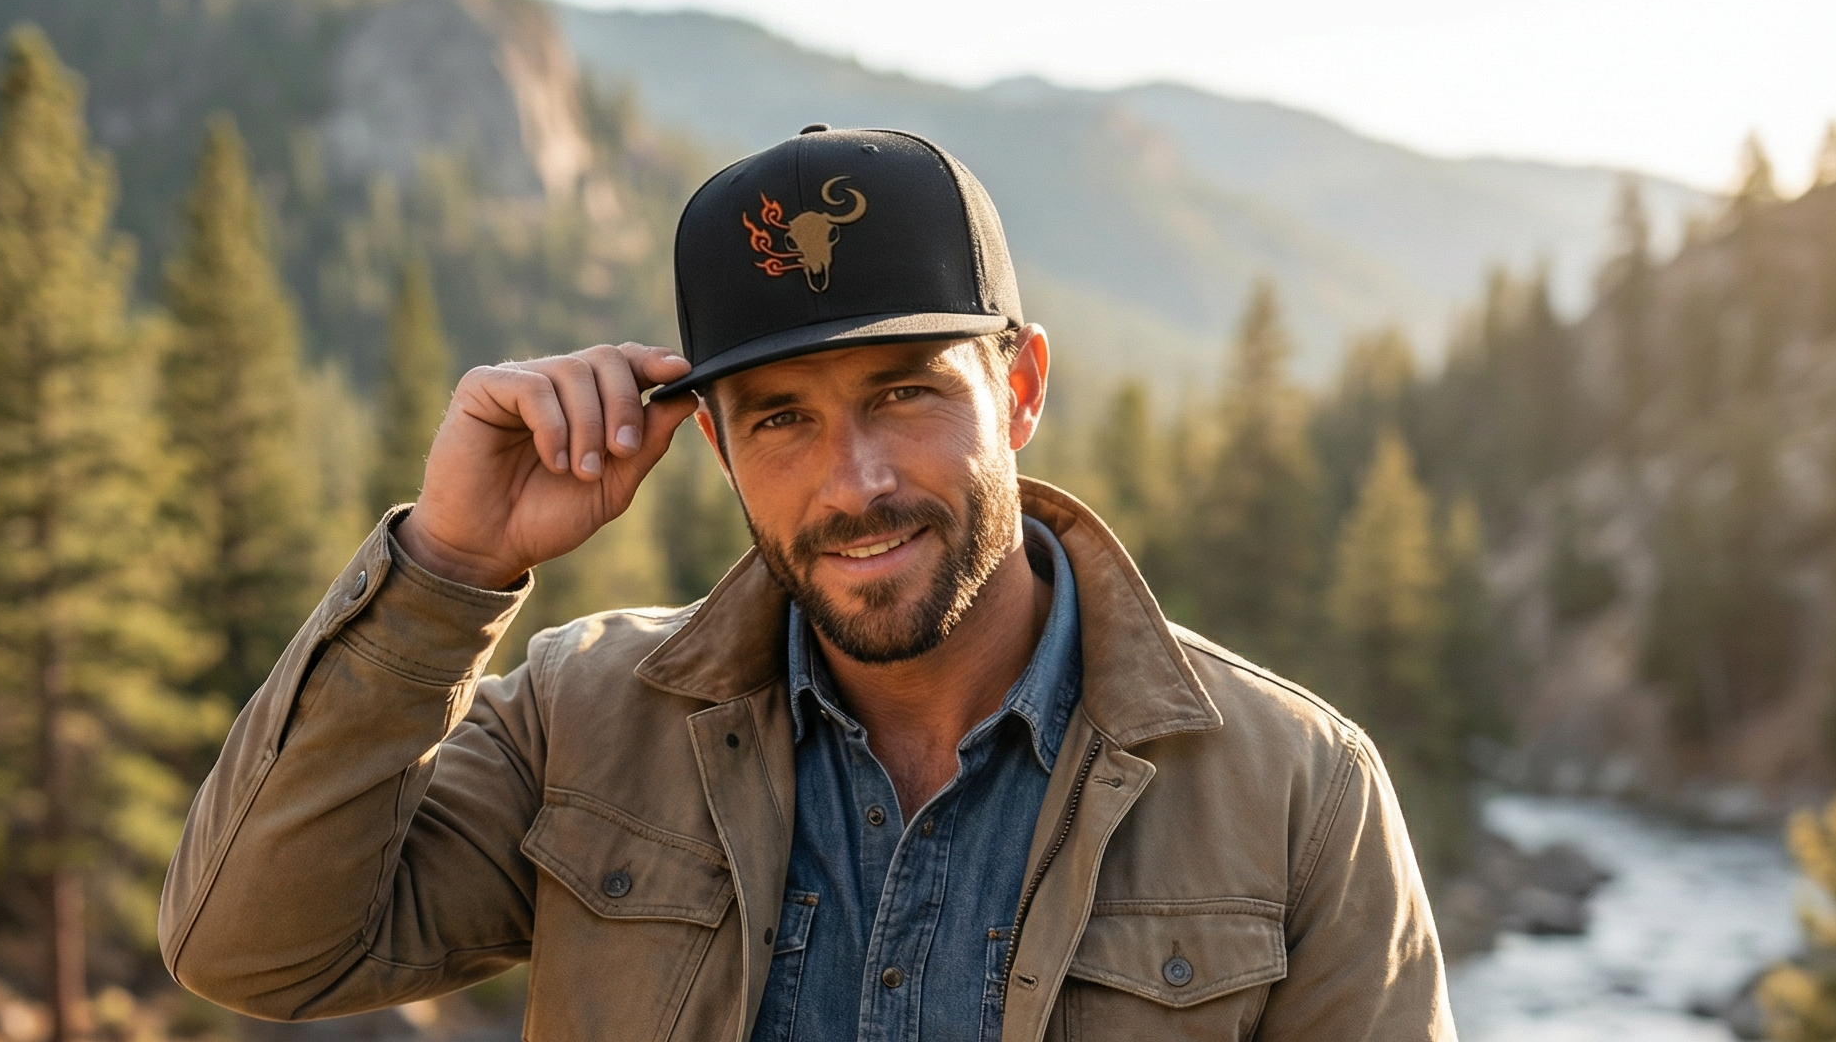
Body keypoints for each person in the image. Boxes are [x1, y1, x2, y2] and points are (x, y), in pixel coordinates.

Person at [160, 126, 1454, 1040]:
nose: (854, 481)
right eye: (780, 419)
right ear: (714, 443)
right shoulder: (582, 725)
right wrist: (450, 566)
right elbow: (253, 949)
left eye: (905, 393)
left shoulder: (1296, 794)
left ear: (1020, 387)